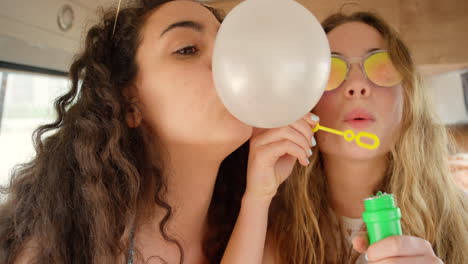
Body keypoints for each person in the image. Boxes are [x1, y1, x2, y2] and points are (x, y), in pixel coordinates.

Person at [0, 1, 316, 263]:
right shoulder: (57, 251)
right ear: (130, 105)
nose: (228, 64)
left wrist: (258, 200)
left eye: (230, 47)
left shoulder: (264, 231)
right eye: (188, 49)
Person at [265, 11, 468, 264]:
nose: (357, 85)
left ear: (409, 99)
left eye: (381, 66)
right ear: (306, 102)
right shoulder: (266, 225)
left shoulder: (463, 217)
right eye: (331, 70)